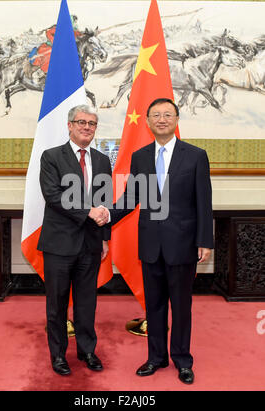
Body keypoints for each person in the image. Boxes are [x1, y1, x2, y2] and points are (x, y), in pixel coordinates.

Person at [109, 98, 214, 384]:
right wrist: (107, 214)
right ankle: (155, 357)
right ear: (148, 122)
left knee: (181, 306)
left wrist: (205, 240)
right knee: (153, 305)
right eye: (156, 115)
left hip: (183, 244)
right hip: (151, 245)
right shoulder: (141, 156)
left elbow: (204, 202)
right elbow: (132, 197)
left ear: (177, 119)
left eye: (168, 114)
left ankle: (182, 359)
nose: (162, 119)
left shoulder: (195, 156)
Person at [37, 104, 112, 376]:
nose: (87, 127)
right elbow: (53, 196)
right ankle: (58, 355)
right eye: (81, 122)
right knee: (56, 304)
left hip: (91, 245)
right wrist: (89, 212)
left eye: (92, 124)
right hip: (59, 244)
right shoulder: (52, 157)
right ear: (70, 125)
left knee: (86, 302)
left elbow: (104, 202)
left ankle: (87, 350)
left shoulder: (103, 161)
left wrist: (104, 238)